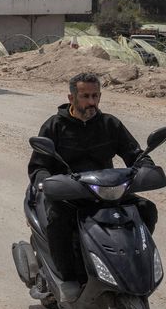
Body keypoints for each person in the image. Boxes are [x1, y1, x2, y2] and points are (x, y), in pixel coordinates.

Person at [27, 72, 159, 290]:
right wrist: (46, 183)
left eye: (95, 96)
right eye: (85, 96)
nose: (91, 102)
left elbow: (134, 154)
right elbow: (39, 166)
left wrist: (146, 166)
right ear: (71, 98)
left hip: (105, 192)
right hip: (68, 194)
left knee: (146, 210)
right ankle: (67, 279)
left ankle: (130, 263)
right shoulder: (55, 126)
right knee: (59, 220)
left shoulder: (109, 124)